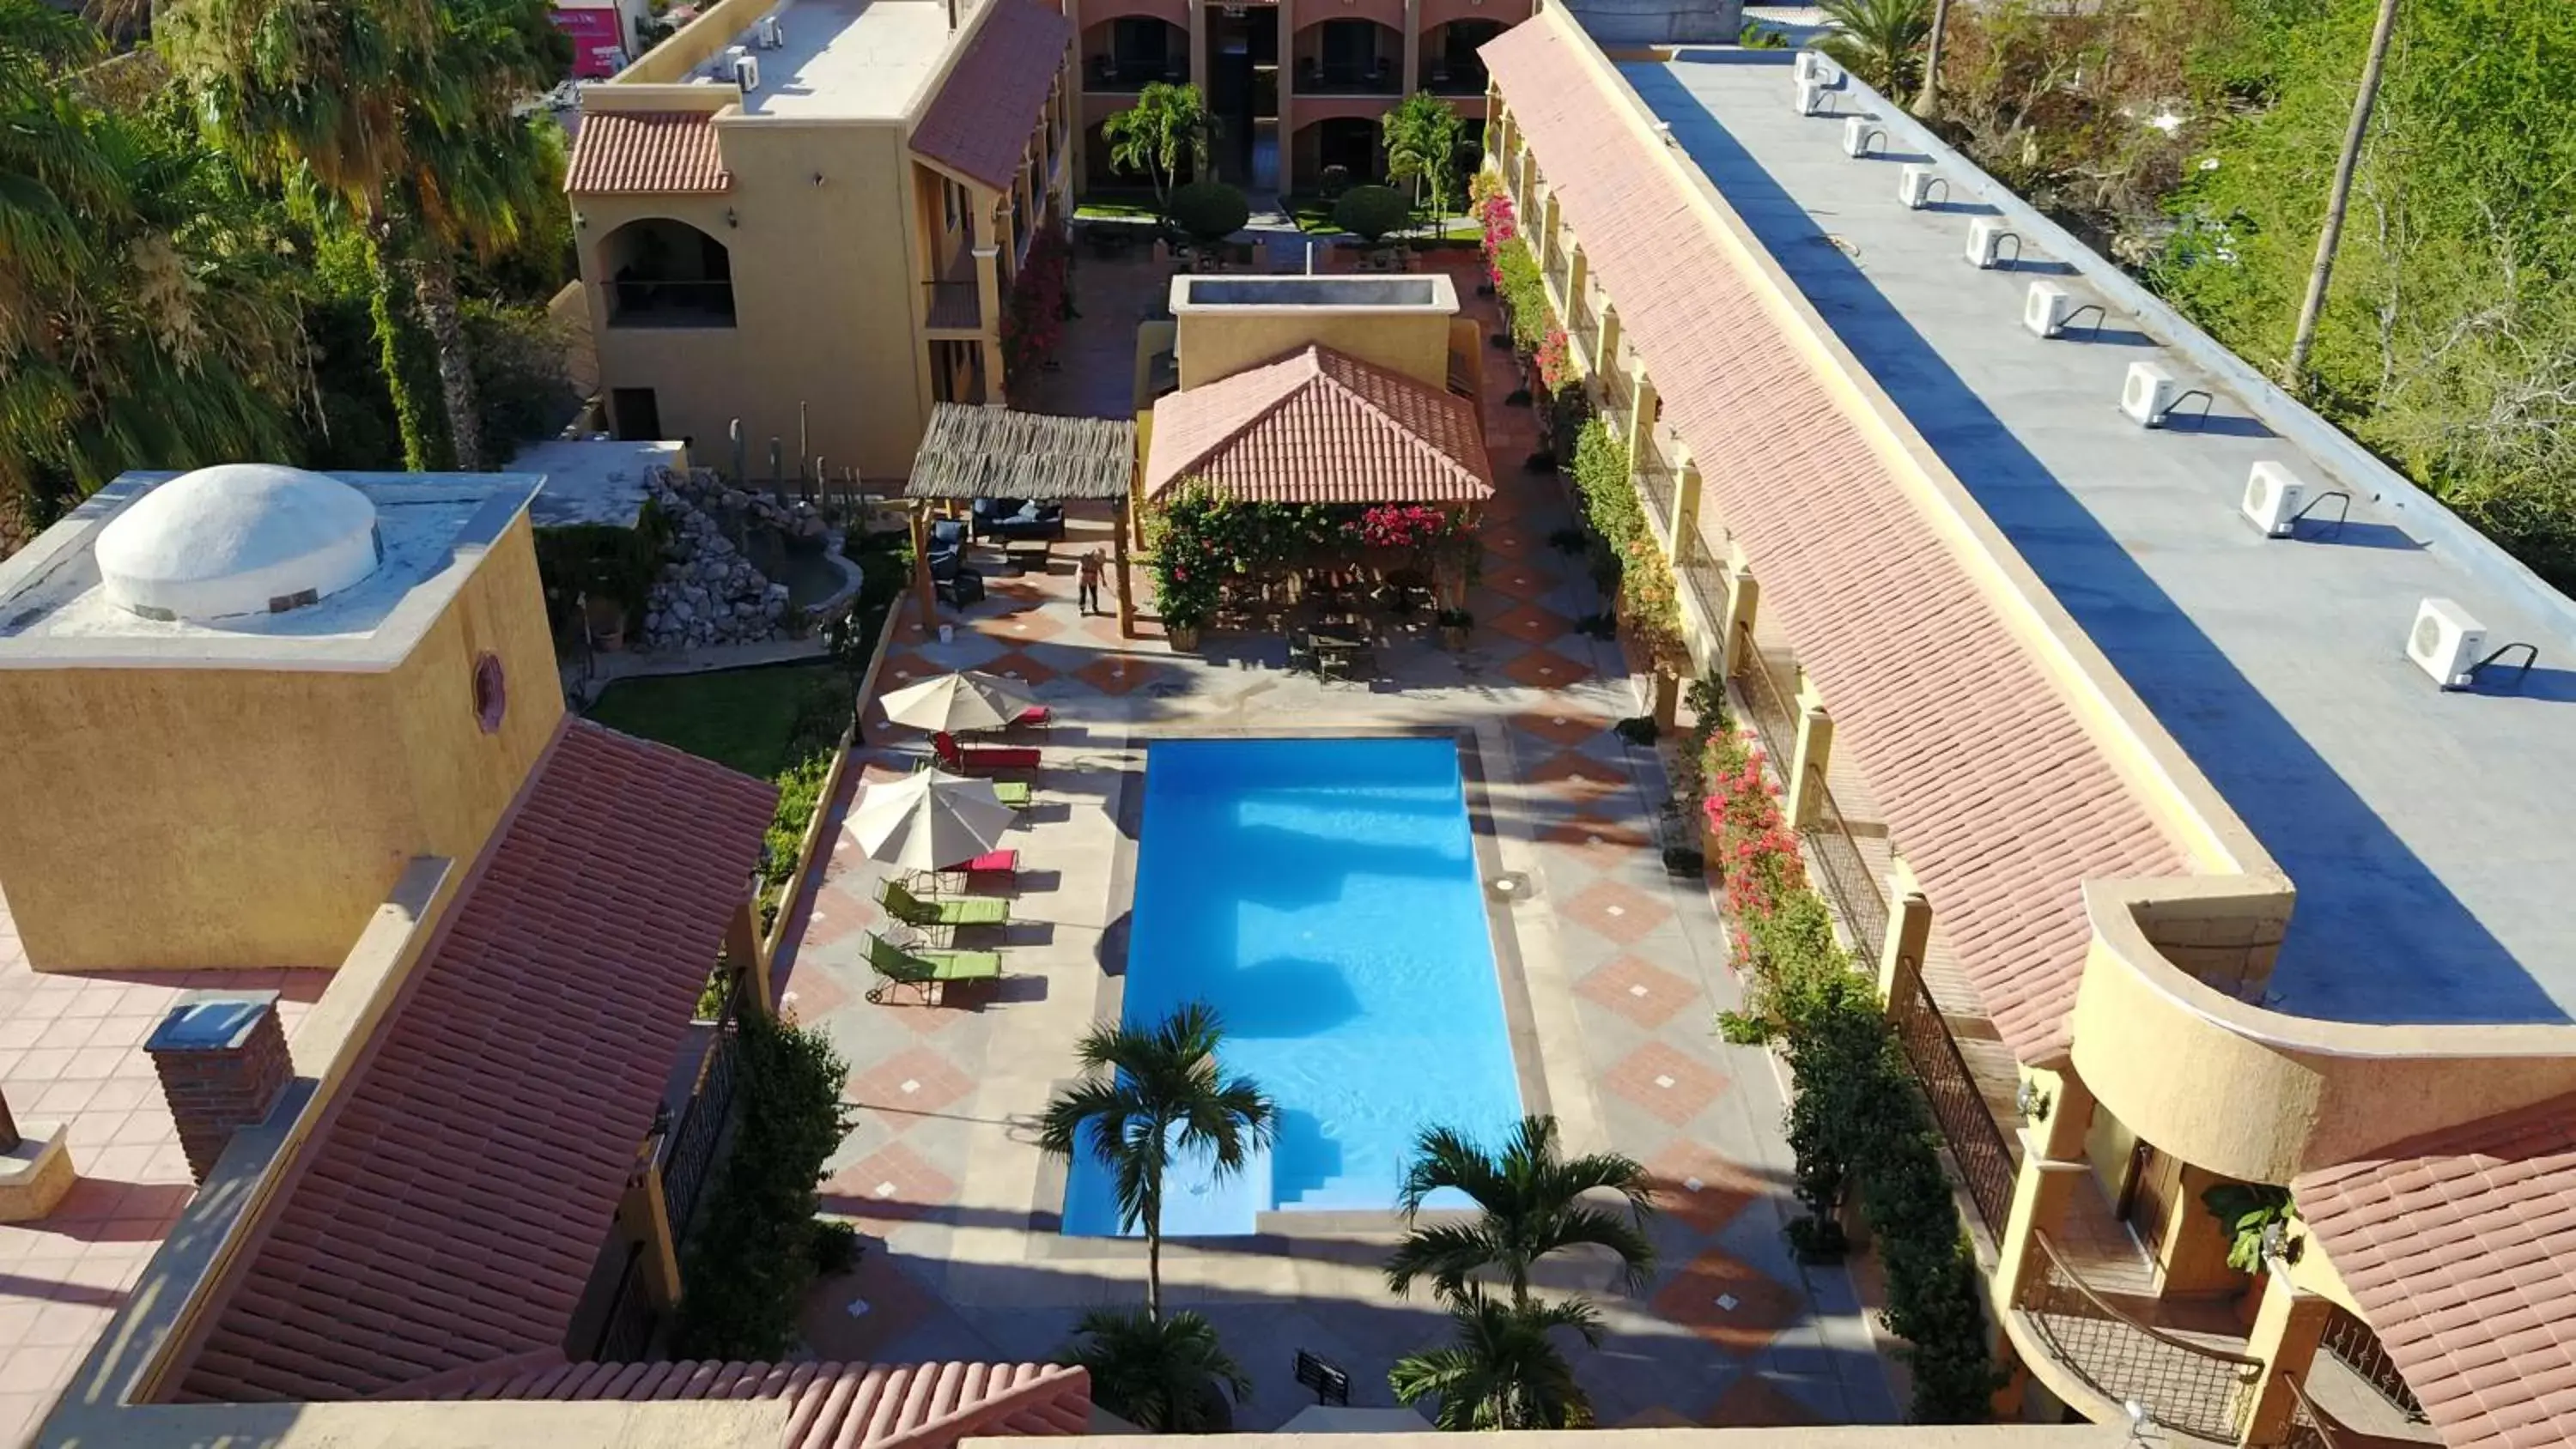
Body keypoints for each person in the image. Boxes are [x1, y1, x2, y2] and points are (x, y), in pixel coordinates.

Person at [1077, 548, 1105, 616]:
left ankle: (1095, 607)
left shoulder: (1098, 562)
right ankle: (1082, 609)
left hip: (1093, 578)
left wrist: (1103, 579)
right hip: (1083, 578)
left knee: (1094, 594)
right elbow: (1080, 568)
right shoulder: (1085, 557)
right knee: (1083, 594)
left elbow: (1101, 569)